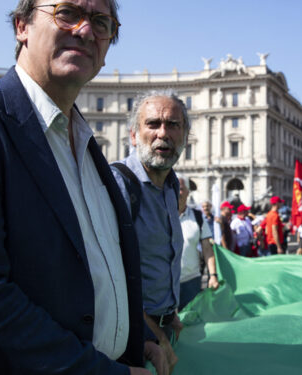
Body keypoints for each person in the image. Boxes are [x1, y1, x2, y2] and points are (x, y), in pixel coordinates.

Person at [0, 1, 150, 373]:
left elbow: (94, 271)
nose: (86, 30)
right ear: (21, 26)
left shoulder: (88, 147)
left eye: (101, 22)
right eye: (68, 13)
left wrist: (138, 339)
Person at [111, 90, 191, 373]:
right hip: (130, 337)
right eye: (153, 124)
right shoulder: (116, 184)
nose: (163, 133)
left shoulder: (172, 185)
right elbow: (107, 279)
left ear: (185, 136)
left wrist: (170, 316)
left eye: (173, 125)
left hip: (163, 328)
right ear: (133, 135)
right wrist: (152, 335)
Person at [176, 174, 218, 311]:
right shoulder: (159, 215)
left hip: (190, 281)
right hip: (163, 283)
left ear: (188, 192)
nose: (177, 191)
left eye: (181, 188)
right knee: (163, 327)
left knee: (190, 324)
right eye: (173, 187)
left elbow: (207, 249)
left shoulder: (198, 217)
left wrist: (213, 275)